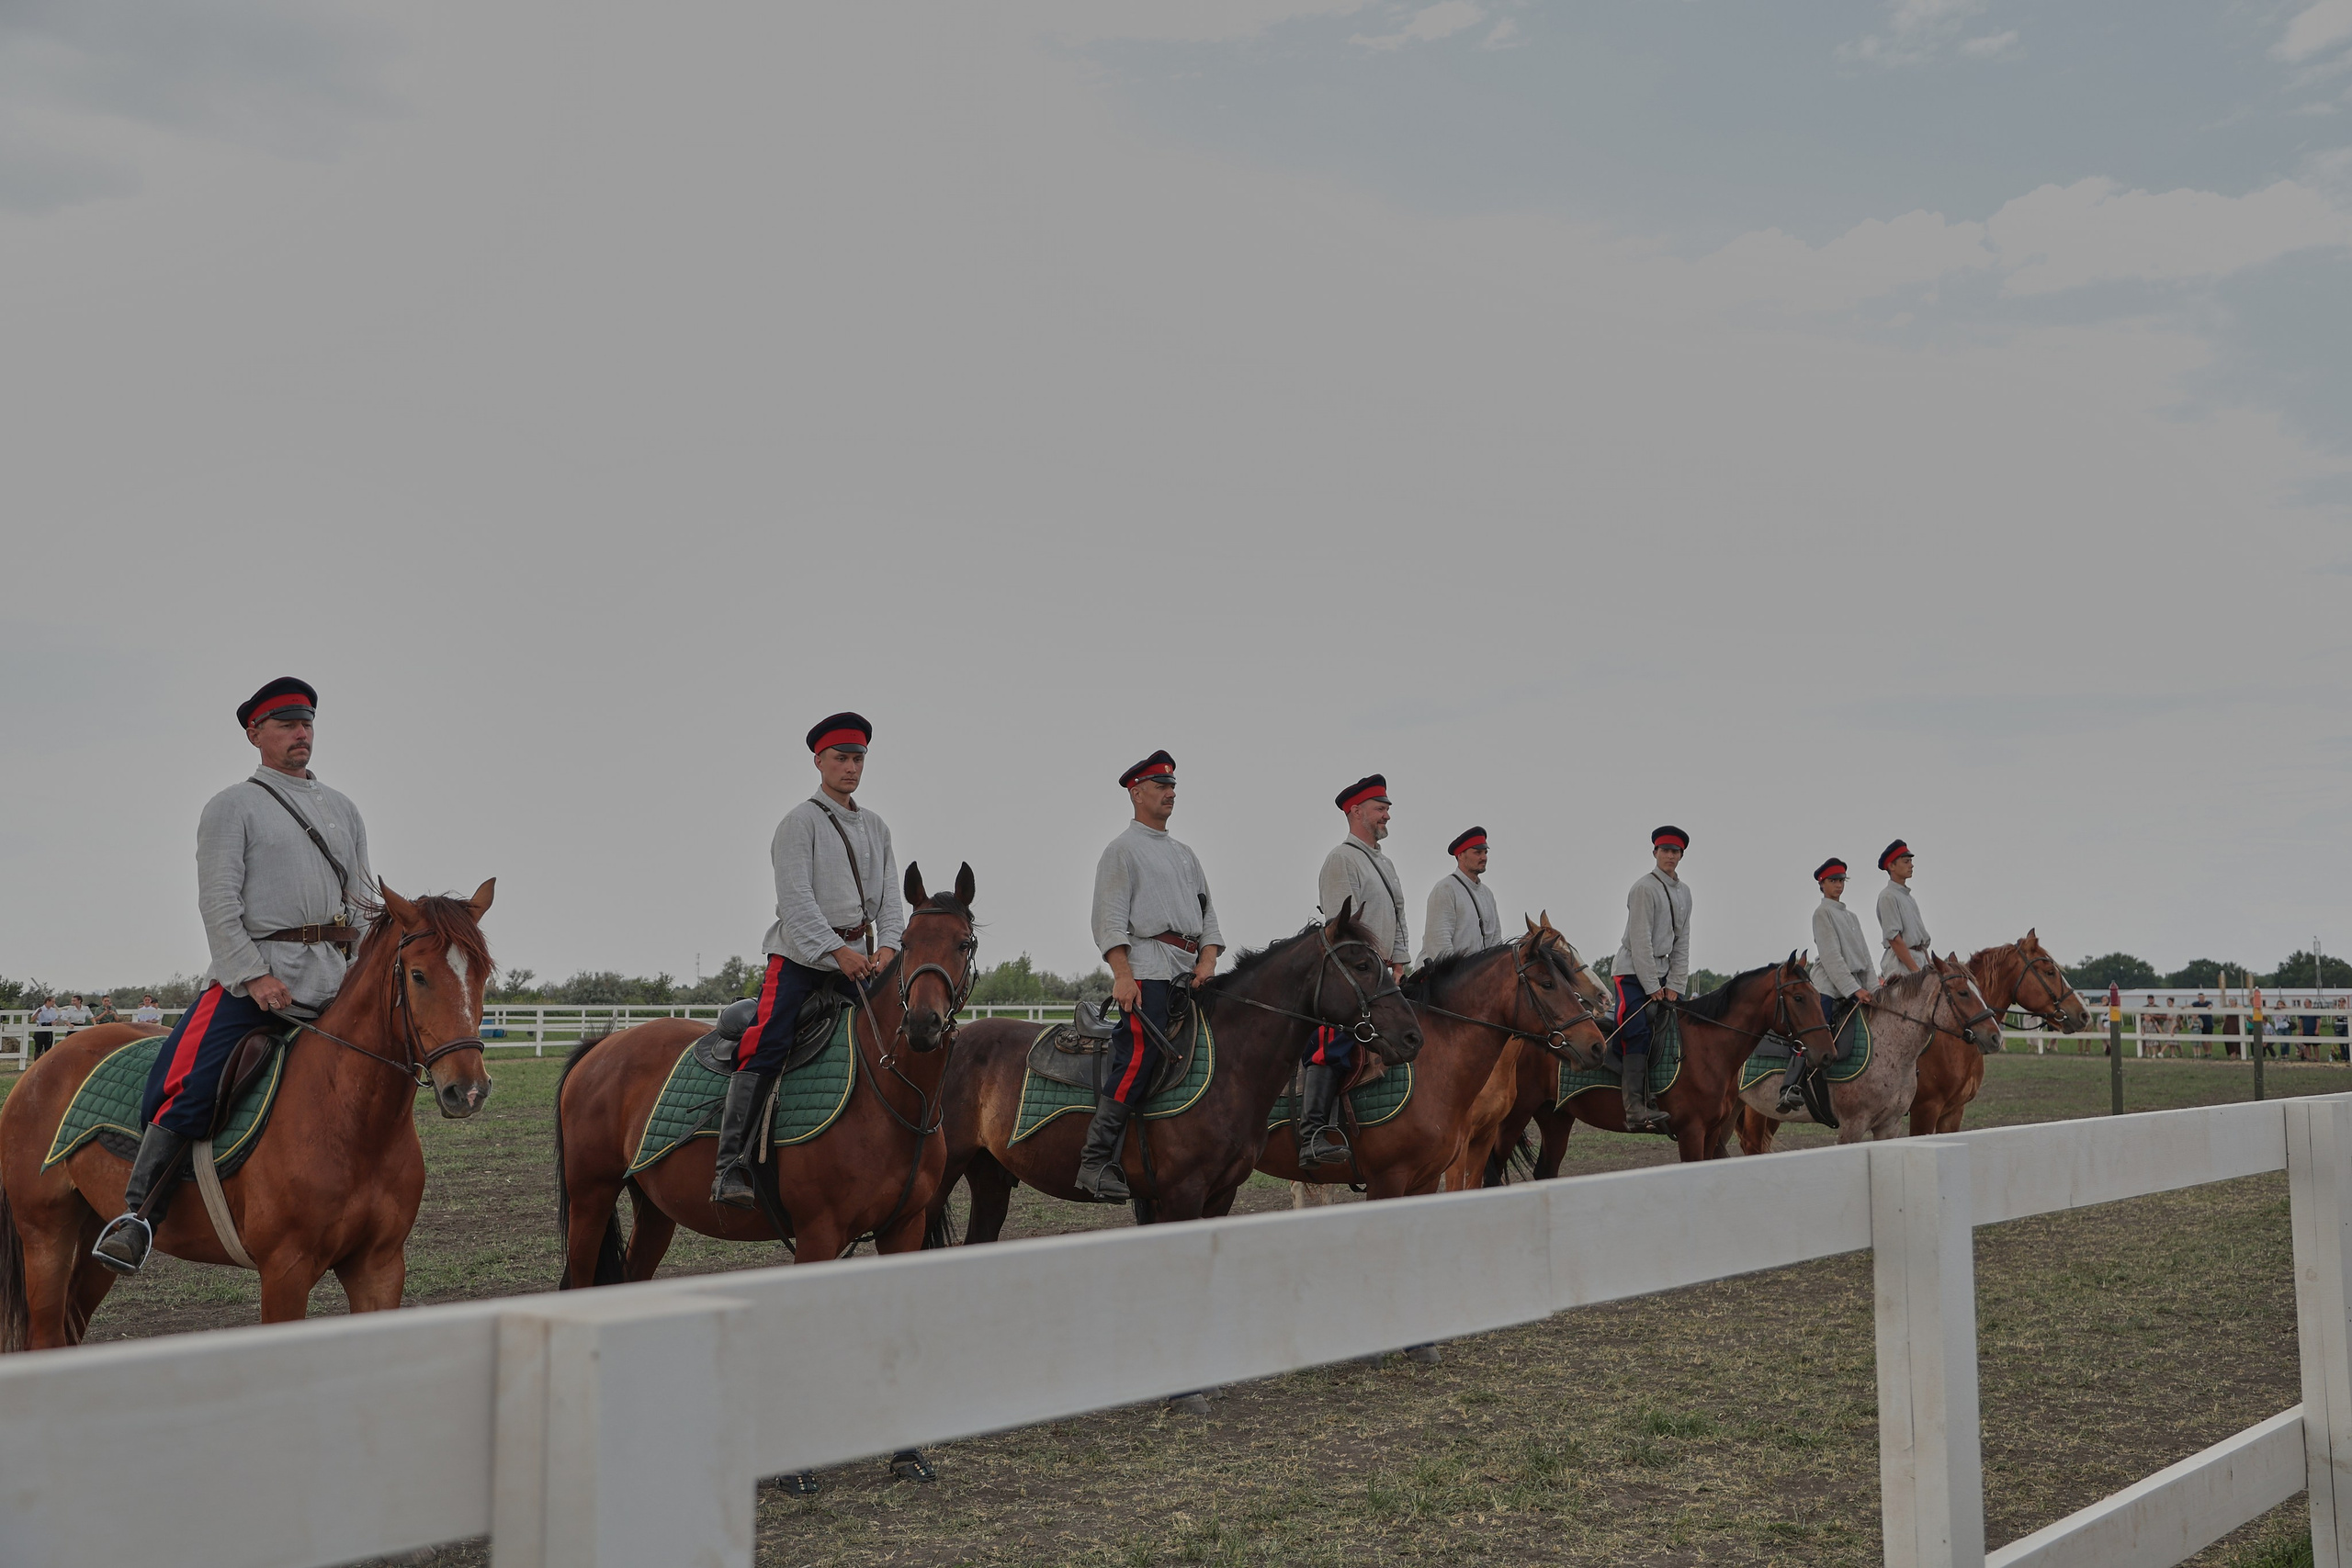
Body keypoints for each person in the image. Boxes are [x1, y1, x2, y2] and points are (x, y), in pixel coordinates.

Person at [93, 677, 375, 1275]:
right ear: (256, 734)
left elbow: (364, 900)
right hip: (258, 981)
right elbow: (218, 905)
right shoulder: (231, 806)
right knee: (190, 1084)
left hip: (334, 982)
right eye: (286, 724)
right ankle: (138, 1215)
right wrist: (252, 977)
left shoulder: (343, 809)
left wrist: (371, 968)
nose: (302, 733)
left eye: (307, 722)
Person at [712, 712, 904, 1210]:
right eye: (841, 758)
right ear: (819, 761)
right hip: (801, 958)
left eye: (858, 758)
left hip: (861, 961)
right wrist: (836, 951)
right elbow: (796, 901)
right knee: (768, 1041)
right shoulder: (799, 823)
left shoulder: (878, 828)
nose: (850, 767)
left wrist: (888, 946)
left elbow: (889, 900)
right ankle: (730, 1165)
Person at [1080, 750, 1224, 1201]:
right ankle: (1096, 1159)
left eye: (1173, 786)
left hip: (1190, 973)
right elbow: (1108, 921)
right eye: (1161, 787)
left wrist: (1208, 960)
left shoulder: (1186, 854)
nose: (1170, 793)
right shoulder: (1121, 851)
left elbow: (1209, 916)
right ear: (1136, 792)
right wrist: (1123, 976)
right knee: (1139, 1055)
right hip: (1148, 970)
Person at [1306, 775, 1410, 1166]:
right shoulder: (1341, 859)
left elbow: (1399, 916)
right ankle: (1314, 1132)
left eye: (1386, 809)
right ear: (1356, 811)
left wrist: (1399, 960)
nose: (1387, 816)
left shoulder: (1385, 862)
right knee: (1330, 1046)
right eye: (1380, 808)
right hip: (1353, 975)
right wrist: (1367, 972)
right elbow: (1341, 930)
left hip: (1384, 973)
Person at [1611, 827, 1691, 1134]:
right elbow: (1640, 939)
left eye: (1676, 851)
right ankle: (1634, 1109)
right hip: (1632, 972)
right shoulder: (1643, 888)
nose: (1670, 855)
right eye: (1665, 850)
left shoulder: (1685, 893)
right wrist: (1651, 986)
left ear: (1681, 855)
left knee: (1682, 1029)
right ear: (1655, 853)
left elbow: (1682, 942)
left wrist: (1675, 984)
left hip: (1664, 974)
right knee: (1636, 1030)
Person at [1790, 859, 1872, 1114]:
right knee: (1814, 1031)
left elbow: (1866, 957)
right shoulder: (1821, 913)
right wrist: (1854, 989)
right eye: (1833, 881)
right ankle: (1792, 1085)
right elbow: (1831, 957)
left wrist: (1873, 990)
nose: (1838, 885)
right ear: (1822, 884)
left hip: (1854, 986)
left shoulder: (1852, 917)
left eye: (1841, 881)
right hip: (1828, 987)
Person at [1419, 826, 1500, 965]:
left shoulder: (1488, 894)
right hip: (1444, 978)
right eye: (1477, 852)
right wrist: (1460, 978)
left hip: (1476, 978)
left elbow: (1495, 940)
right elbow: (1439, 943)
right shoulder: (1446, 889)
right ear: (1461, 855)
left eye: (1485, 852)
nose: (1484, 858)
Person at [1875, 840, 1931, 978]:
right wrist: (1915, 971)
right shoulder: (1888, 896)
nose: (1911, 865)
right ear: (1891, 866)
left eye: (1910, 861)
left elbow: (1921, 943)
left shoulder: (1909, 898)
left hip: (1919, 962)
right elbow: (1894, 939)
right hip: (1901, 968)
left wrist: (1930, 968)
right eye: (1906, 861)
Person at [30, 996, 57, 1062]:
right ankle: (36, 1063)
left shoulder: (53, 1010)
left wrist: (54, 1022)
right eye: (53, 1002)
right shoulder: (40, 1009)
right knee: (38, 1047)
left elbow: (55, 1019)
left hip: (49, 1028)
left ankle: (47, 1062)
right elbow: (32, 1019)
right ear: (48, 1001)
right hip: (41, 1029)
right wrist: (38, 1012)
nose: (54, 1003)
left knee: (48, 1047)